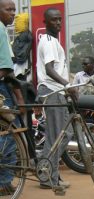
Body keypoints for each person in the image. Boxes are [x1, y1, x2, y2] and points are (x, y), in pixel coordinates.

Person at [36, 7, 78, 189]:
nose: (58, 23)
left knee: (65, 134)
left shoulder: (53, 41)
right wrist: (67, 85)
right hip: (52, 91)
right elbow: (49, 69)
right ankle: (46, 176)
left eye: (60, 19)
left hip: (57, 92)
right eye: (54, 20)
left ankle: (49, 172)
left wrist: (66, 87)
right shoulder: (47, 41)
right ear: (45, 22)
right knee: (56, 136)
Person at [0, 0, 25, 195]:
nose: (12, 14)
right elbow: (7, 70)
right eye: (8, 10)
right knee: (9, 133)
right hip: (2, 89)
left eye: (14, 10)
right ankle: (4, 181)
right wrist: (19, 97)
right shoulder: (1, 29)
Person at [12, 13, 32, 81]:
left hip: (20, 69)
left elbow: (20, 56)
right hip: (22, 68)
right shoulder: (25, 36)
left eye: (17, 23)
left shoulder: (23, 37)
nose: (15, 25)